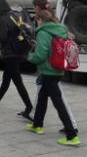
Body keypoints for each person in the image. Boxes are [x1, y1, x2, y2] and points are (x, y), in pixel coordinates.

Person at [26, 9, 80, 146]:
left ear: (40, 20)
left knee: (58, 103)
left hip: (48, 70)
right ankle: (37, 124)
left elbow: (41, 55)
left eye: (36, 20)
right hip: (58, 68)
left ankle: (71, 135)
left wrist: (30, 56)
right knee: (43, 96)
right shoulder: (60, 29)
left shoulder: (43, 32)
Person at [0, 0, 33, 120]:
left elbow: (3, 37)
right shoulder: (16, 15)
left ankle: (29, 107)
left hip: (10, 53)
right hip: (19, 50)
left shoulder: (3, 19)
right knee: (6, 78)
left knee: (18, 82)